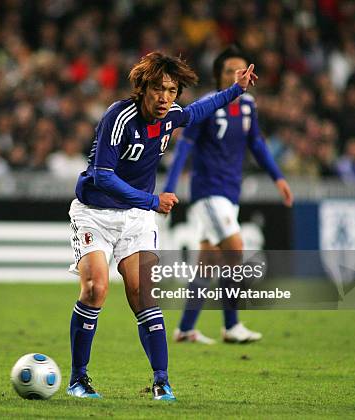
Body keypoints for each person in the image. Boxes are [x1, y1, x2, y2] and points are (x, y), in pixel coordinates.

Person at [67, 51, 257, 401]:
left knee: (143, 294)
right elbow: (102, 176)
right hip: (96, 212)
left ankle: (161, 380)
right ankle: (78, 378)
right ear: (143, 88)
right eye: (158, 88)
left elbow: (199, 109)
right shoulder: (118, 116)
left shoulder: (170, 116)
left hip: (136, 217)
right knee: (95, 289)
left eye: (171, 90)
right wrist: (153, 201)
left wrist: (235, 89)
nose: (164, 97)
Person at [163, 46, 293, 345]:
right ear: (220, 76)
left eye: (242, 68)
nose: (238, 74)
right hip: (208, 192)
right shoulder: (207, 106)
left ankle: (185, 329)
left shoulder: (248, 106)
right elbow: (184, 147)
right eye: (230, 70)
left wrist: (279, 178)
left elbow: (258, 145)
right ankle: (232, 325)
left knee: (207, 264)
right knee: (235, 250)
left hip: (230, 193)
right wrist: (169, 187)